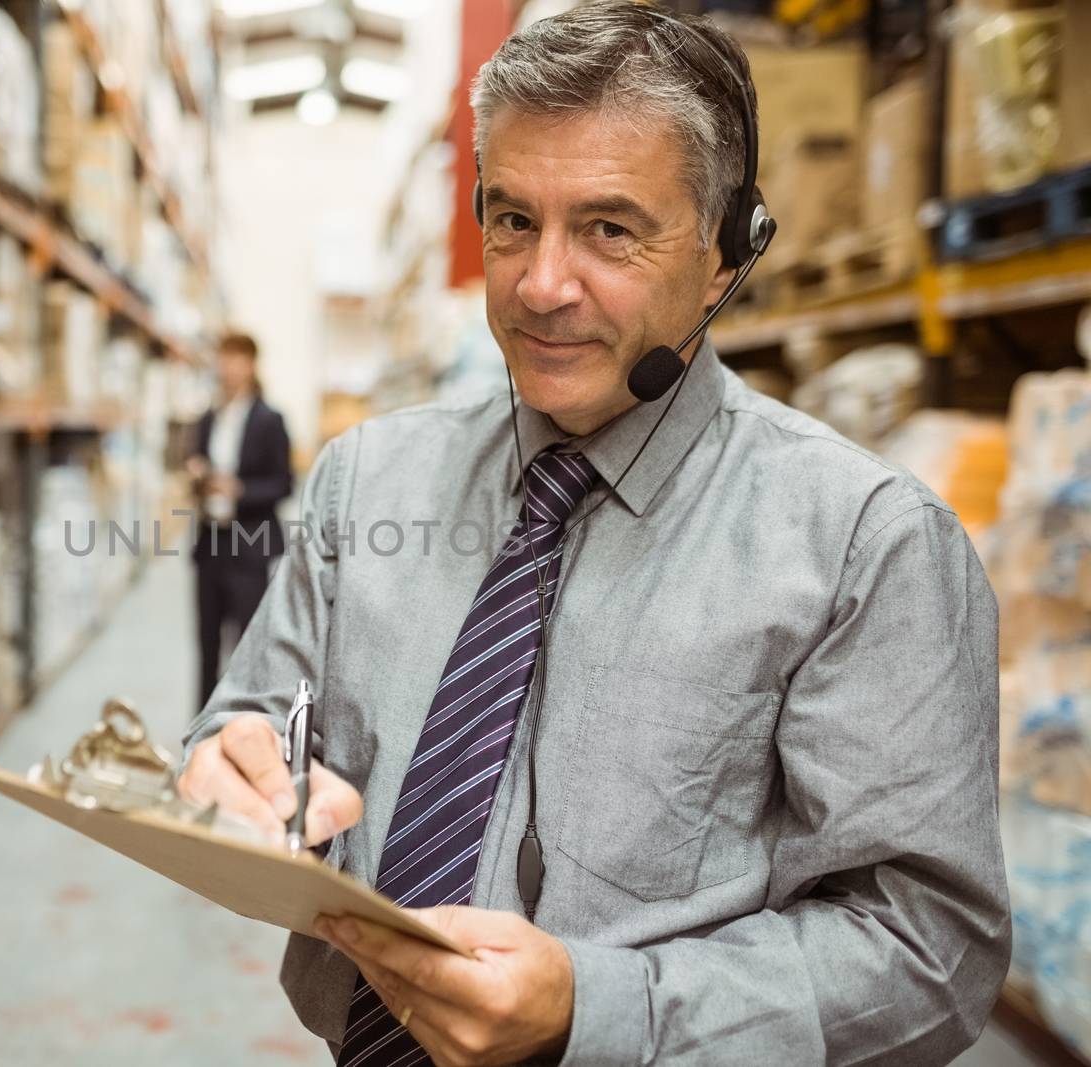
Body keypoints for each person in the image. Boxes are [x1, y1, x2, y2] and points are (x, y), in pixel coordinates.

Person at [178, 5, 1009, 1066]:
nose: (539, 284)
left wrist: (600, 1005)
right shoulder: (366, 477)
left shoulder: (863, 546)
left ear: (724, 258)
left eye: (609, 229)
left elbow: (929, 950)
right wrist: (231, 759)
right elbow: (257, 707)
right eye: (512, 219)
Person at [187, 331, 293, 711]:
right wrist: (198, 475)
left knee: (246, 648)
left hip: (249, 546)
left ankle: (241, 725)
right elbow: (198, 465)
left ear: (250, 365)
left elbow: (283, 484)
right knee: (206, 644)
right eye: (223, 358)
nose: (228, 368)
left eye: (236, 359)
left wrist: (239, 489)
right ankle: (200, 728)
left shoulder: (269, 420)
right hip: (211, 544)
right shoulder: (206, 418)